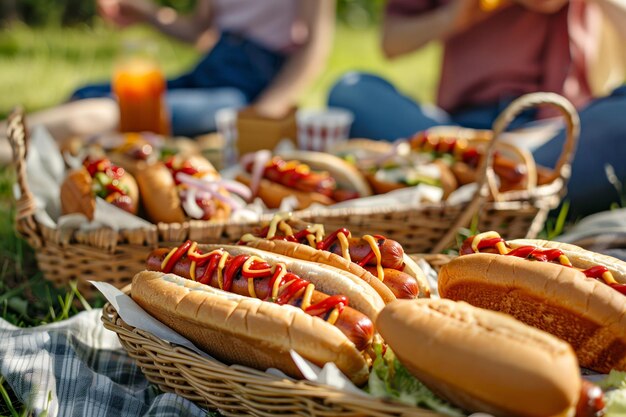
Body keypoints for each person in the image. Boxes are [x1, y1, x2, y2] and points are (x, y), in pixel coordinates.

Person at [328, 0, 626, 217]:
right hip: (459, 131)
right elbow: (392, 41)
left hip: (553, 138)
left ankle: (488, 182)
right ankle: (489, 175)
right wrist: (452, 17)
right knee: (352, 91)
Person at [70, 0, 335, 137]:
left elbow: (314, 50)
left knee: (118, 111)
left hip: (246, 87)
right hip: (211, 66)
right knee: (85, 93)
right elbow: (198, 31)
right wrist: (146, 12)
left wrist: (262, 112)